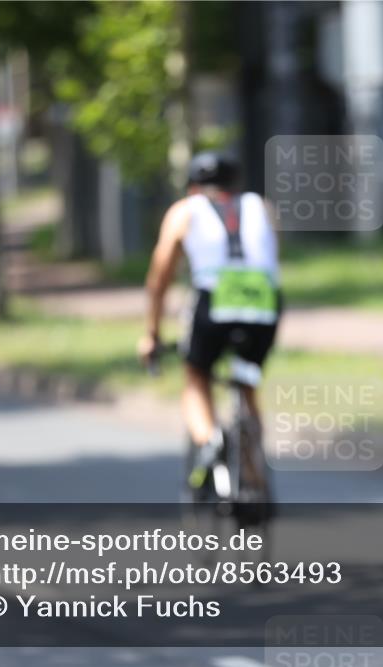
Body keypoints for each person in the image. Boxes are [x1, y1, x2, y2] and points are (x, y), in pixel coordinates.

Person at [137, 151, 281, 491]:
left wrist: (151, 333)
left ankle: (209, 441)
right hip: (264, 303)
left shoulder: (184, 211)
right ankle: (253, 472)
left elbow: (159, 280)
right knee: (247, 382)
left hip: (213, 301)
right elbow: (270, 257)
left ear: (192, 188)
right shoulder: (262, 207)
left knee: (196, 376)